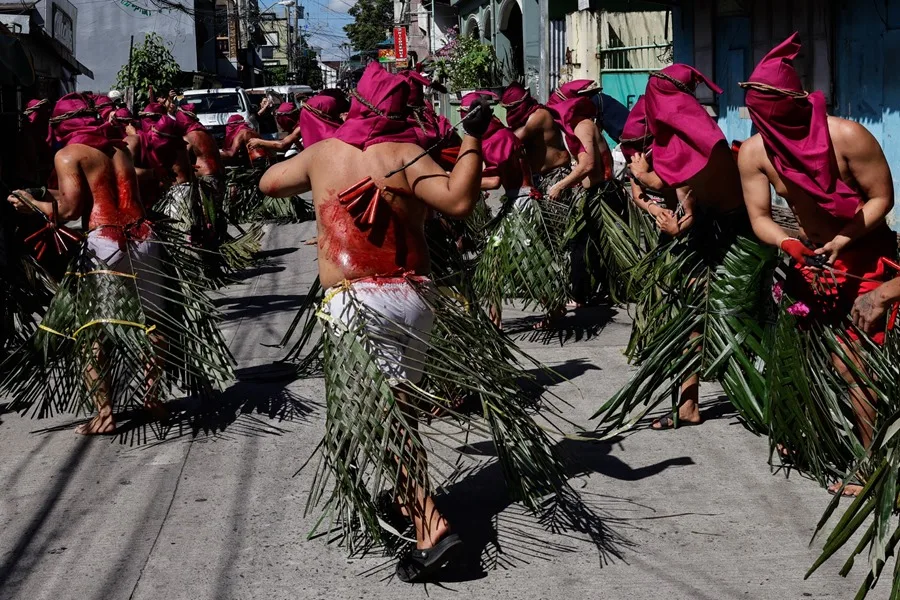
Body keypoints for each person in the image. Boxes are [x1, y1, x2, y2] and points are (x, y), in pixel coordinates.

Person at [260, 63, 575, 583]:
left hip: (356, 304)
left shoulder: (324, 156)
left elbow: (270, 183)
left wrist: (316, 158)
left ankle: (432, 527)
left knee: (383, 421)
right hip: (413, 297)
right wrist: (472, 139)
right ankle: (410, 503)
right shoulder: (405, 154)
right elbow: (460, 200)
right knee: (397, 410)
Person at [3, 93, 234, 436]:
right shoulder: (119, 150)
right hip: (145, 238)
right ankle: (153, 398)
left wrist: (30, 204)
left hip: (106, 245)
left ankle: (105, 414)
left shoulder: (69, 155)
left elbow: (67, 211)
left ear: (61, 125)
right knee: (153, 322)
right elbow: (109, 192)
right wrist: (41, 194)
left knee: (92, 333)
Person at [738, 33, 895, 494]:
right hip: (810, 265)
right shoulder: (755, 152)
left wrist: (845, 237)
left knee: (857, 366)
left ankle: (870, 466)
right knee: (807, 362)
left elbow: (882, 198)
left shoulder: (847, 136)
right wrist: (790, 246)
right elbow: (760, 219)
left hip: (864, 258)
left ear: (799, 102)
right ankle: (818, 440)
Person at [125, 114, 191, 208]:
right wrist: (154, 173)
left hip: (155, 200)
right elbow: (124, 172)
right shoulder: (134, 141)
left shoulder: (170, 150)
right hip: (133, 201)